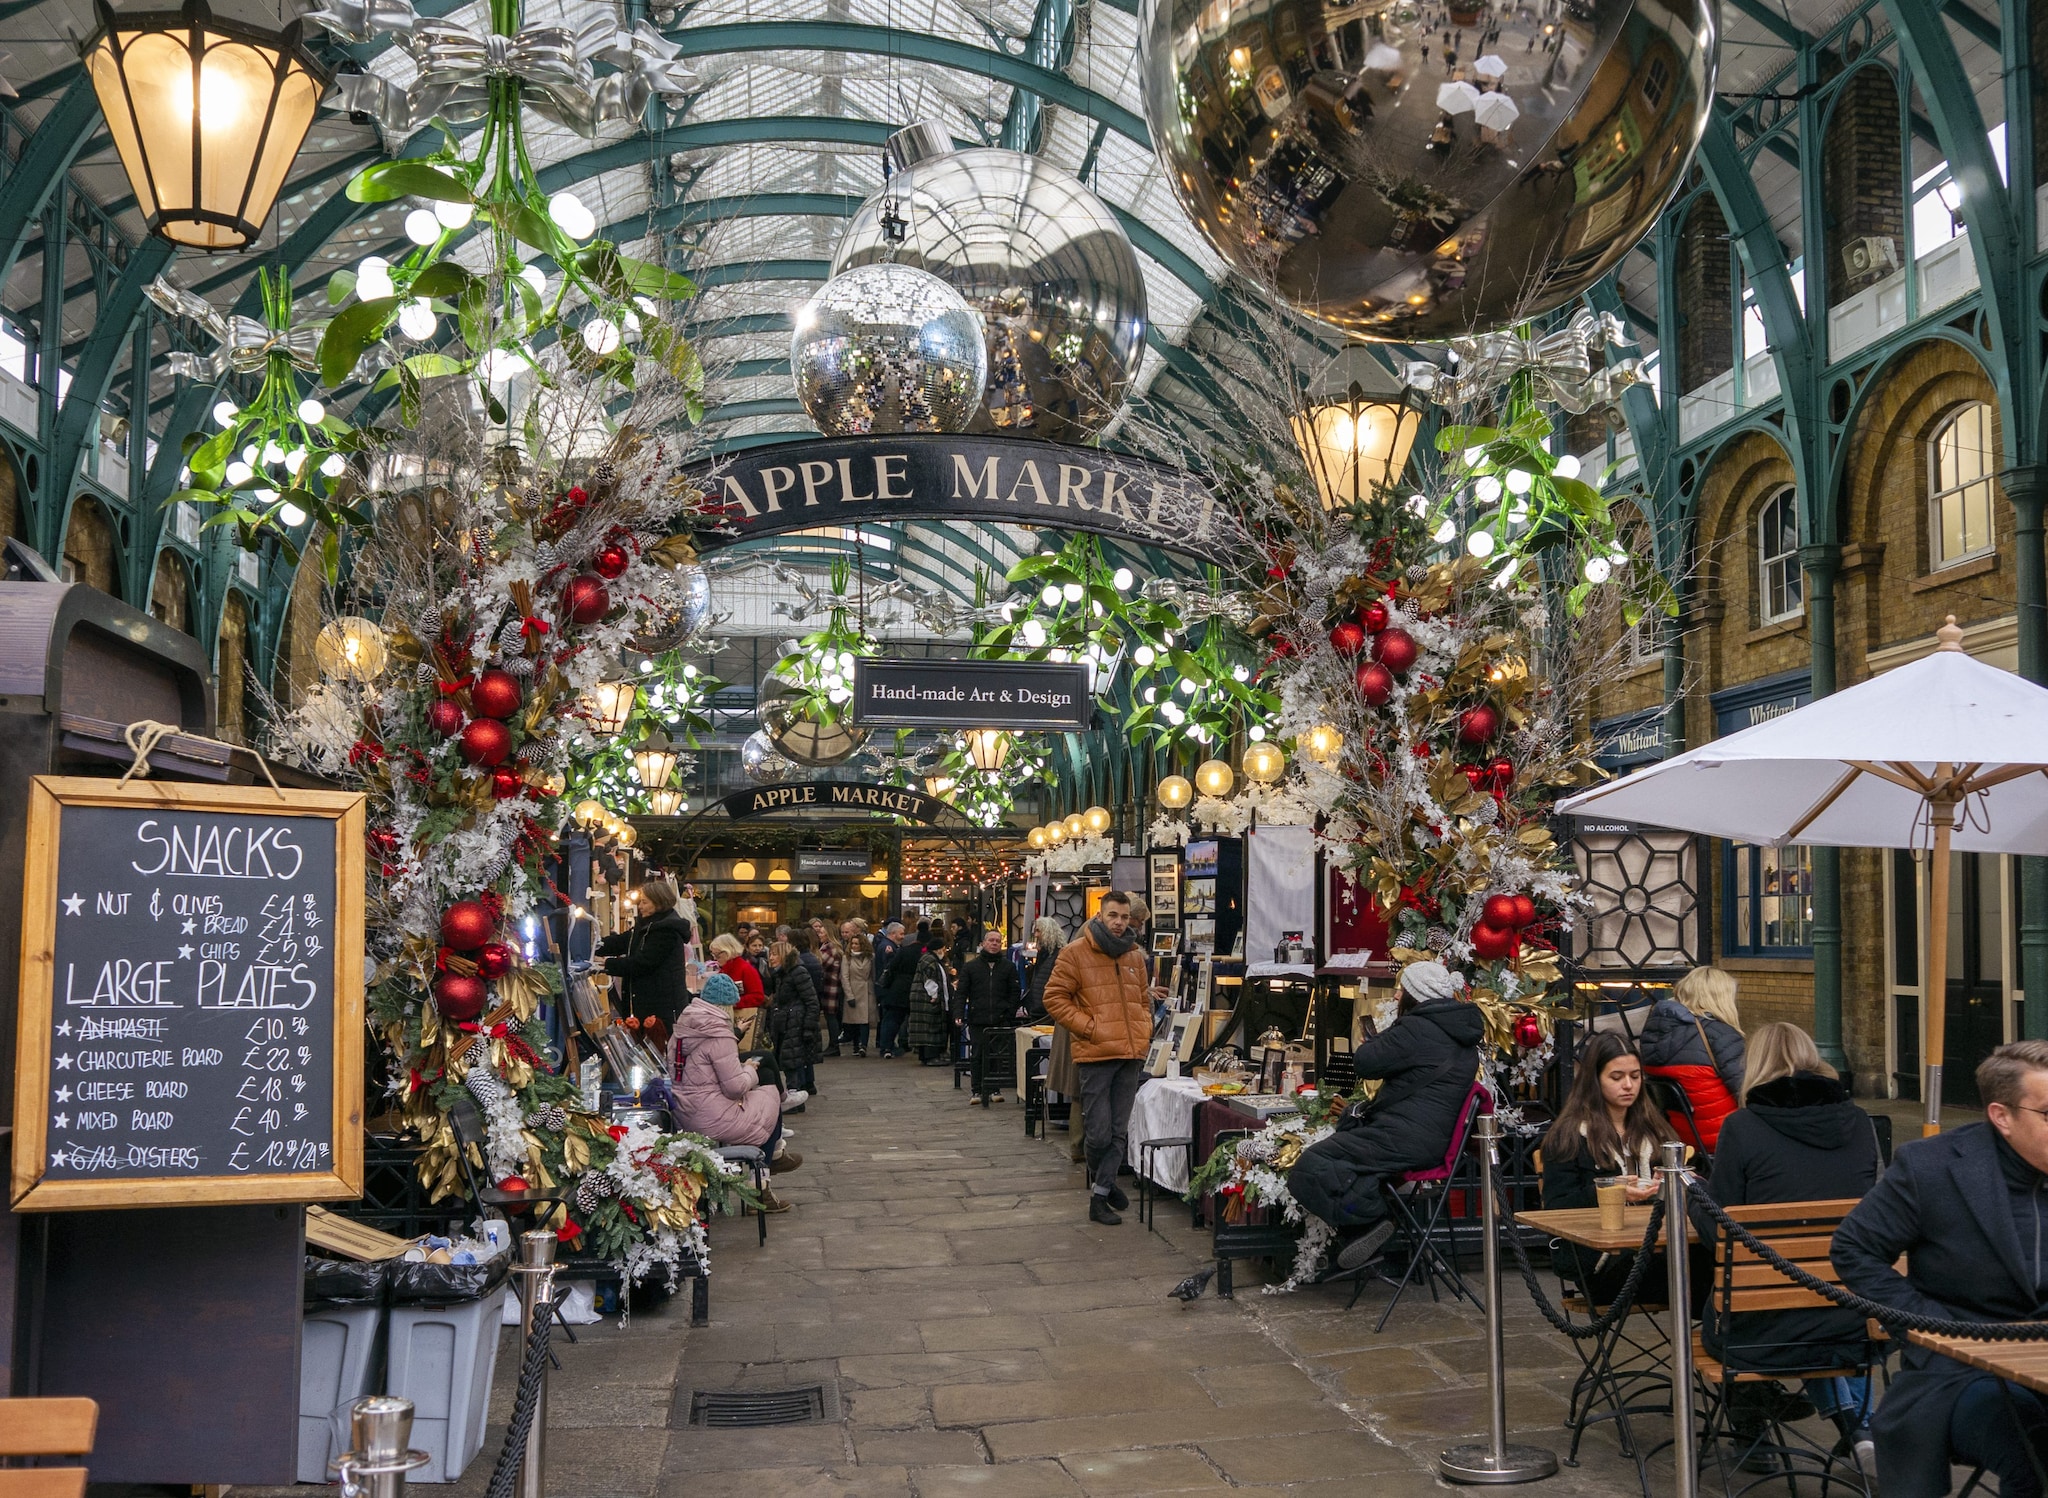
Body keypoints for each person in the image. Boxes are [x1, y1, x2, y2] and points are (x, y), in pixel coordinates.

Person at [1834, 1040, 2048, 1496]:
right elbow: (1854, 1249)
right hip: (1961, 1369)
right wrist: (1932, 1328)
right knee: (2035, 1447)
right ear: (2002, 1116)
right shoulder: (1934, 1167)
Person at [1697, 1022, 1878, 1466]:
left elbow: (1722, 1230)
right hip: (1858, 1323)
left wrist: (1690, 1195)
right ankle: (1861, 1427)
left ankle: (1751, 1426)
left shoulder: (1742, 1127)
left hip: (1761, 1333)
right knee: (1810, 1303)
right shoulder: (1860, 1121)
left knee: (1724, 1296)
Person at [1290, 960, 1486, 1269]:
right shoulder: (1463, 1036)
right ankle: (1368, 1221)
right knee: (1355, 1166)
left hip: (1402, 1138)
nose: (1396, 997)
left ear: (1415, 995)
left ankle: (1370, 1222)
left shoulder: (1417, 1028)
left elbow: (1365, 1062)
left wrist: (1385, 1033)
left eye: (1401, 990)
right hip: (1434, 1141)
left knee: (1309, 1168)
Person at [1041, 890, 1155, 1225]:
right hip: (1096, 1054)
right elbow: (1054, 998)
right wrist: (1089, 1028)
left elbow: (1142, 1001)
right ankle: (1102, 1181)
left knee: (1119, 1131)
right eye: (1113, 916)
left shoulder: (1134, 956)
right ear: (1100, 915)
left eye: (1123, 917)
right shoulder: (1076, 953)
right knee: (1099, 1133)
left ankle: (1100, 1193)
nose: (1119, 923)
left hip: (1130, 1054)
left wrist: (1144, 1028)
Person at [670, 972, 798, 1212]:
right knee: (768, 1099)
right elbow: (734, 1088)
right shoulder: (719, 1033)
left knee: (765, 1086)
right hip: (713, 1117)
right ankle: (760, 1187)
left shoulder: (683, 1028)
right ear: (727, 1006)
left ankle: (772, 1161)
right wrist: (749, 1071)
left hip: (687, 1111)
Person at [1639, 967, 1747, 1151]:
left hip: (1682, 1137)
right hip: (1726, 1135)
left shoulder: (1653, 1036)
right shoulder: (1720, 1035)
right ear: (1720, 998)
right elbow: (1747, 1092)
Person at [591, 880, 694, 1030]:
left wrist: (606, 964)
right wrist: (594, 946)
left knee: (658, 1048)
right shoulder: (646, 925)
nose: (640, 907)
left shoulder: (666, 931)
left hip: (660, 1008)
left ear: (659, 903)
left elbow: (643, 963)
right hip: (645, 1004)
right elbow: (623, 941)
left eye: (644, 902)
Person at [959, 925, 1022, 1104]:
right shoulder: (971, 967)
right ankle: (976, 1090)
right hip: (978, 1017)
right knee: (977, 1054)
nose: (994, 944)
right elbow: (962, 991)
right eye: (991, 941)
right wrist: (958, 1013)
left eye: (997, 941)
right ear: (983, 943)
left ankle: (995, 1088)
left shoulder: (1008, 967)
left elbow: (1014, 991)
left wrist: (1008, 1011)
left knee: (997, 1055)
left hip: (1000, 1017)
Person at [765, 940, 822, 1098]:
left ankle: (795, 1095)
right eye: (770, 954)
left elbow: (812, 1001)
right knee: (789, 1060)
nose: (771, 957)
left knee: (793, 1062)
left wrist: (808, 1027)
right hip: (787, 1023)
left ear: (784, 955)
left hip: (796, 1024)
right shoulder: (781, 974)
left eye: (775, 954)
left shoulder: (797, 972)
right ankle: (794, 1094)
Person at [908, 933, 956, 1066]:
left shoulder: (930, 959)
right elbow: (930, 980)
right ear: (939, 949)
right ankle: (931, 1056)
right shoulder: (930, 960)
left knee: (927, 1027)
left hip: (923, 999)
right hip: (927, 1000)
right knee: (931, 1027)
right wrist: (934, 996)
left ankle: (927, 1056)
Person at [876, 922, 917, 1059]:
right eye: (901, 933)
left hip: (890, 990)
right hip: (891, 990)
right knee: (891, 1019)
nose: (903, 937)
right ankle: (886, 1046)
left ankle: (888, 1045)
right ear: (892, 934)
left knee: (890, 1019)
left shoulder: (892, 947)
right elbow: (888, 969)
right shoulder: (888, 948)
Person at [838, 919, 875, 1056]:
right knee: (853, 1021)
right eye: (852, 943)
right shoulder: (846, 958)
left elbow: (872, 975)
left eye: (856, 944)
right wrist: (849, 995)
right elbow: (844, 977)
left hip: (866, 991)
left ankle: (863, 1046)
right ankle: (855, 1045)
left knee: (864, 1021)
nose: (853, 946)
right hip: (853, 990)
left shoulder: (870, 957)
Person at [809, 918, 844, 1057]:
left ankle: (834, 1045)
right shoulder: (829, 947)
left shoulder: (830, 948)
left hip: (830, 986)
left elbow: (820, 963)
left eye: (822, 932)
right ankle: (833, 1044)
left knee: (831, 1016)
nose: (820, 935)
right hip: (830, 985)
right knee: (830, 1016)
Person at [1024, 916, 1065, 1023]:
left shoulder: (1059, 956)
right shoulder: (1043, 955)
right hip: (1038, 1012)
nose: (1036, 935)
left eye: (1038, 931)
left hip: (1048, 1014)